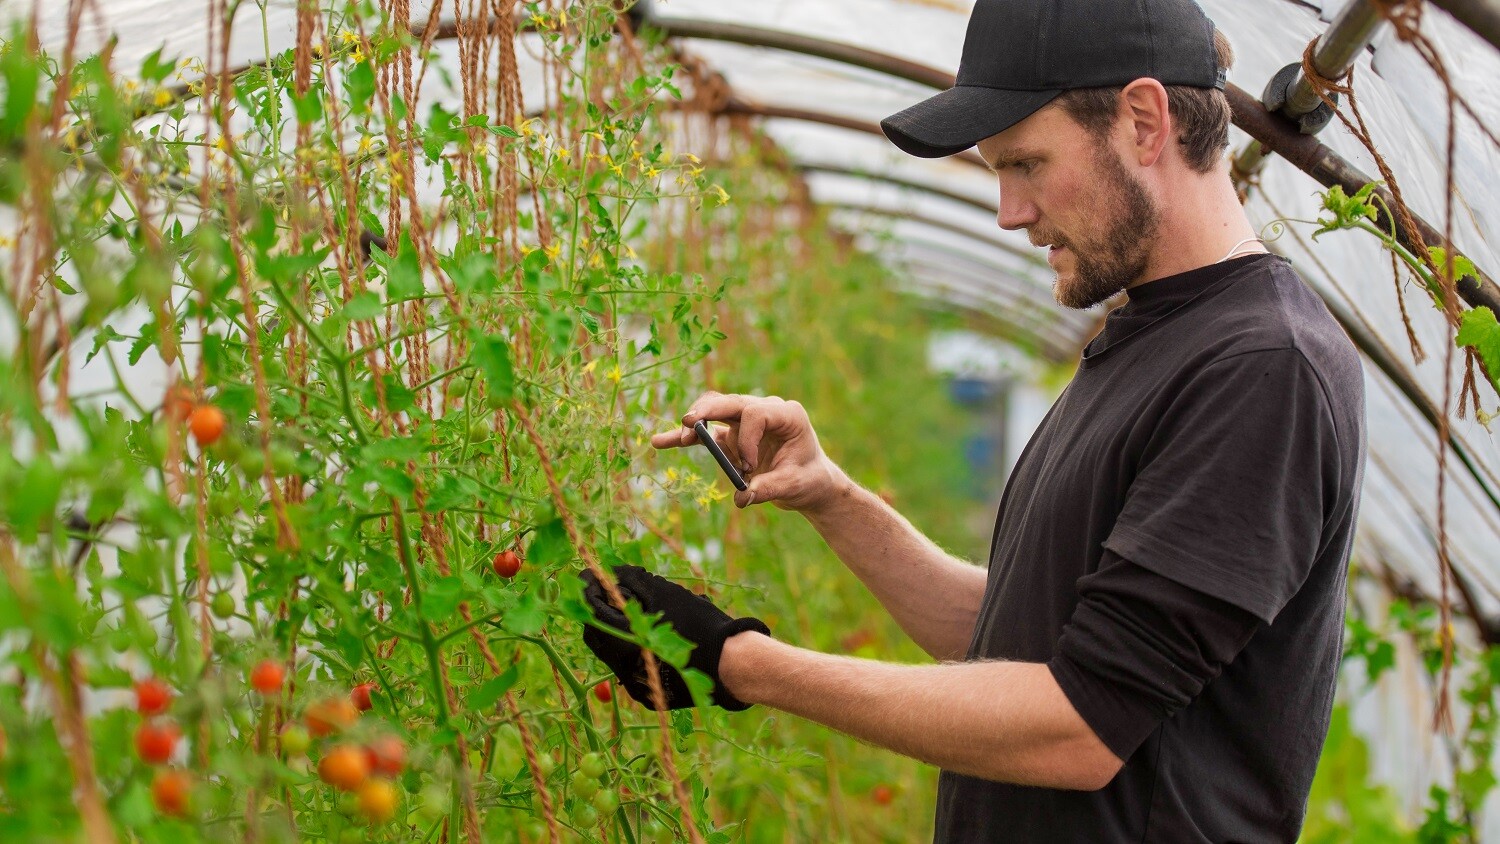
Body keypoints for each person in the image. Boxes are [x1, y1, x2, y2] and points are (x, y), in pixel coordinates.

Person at [579, 0, 1368, 840]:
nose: (1008, 211)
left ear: (1145, 121)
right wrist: (831, 499)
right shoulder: (1155, 335)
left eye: (1026, 162)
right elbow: (1018, 639)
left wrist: (740, 663)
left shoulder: (1259, 366)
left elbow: (1079, 725)